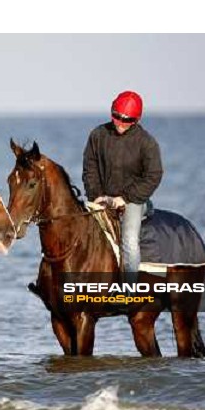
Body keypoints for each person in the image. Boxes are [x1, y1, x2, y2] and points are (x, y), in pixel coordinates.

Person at [82, 91, 163, 284]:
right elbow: (90, 168)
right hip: (102, 198)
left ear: (137, 119)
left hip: (134, 200)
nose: (120, 123)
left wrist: (125, 198)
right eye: (117, 117)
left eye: (126, 120)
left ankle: (130, 288)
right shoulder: (98, 135)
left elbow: (154, 176)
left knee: (129, 241)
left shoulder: (147, 143)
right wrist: (96, 196)